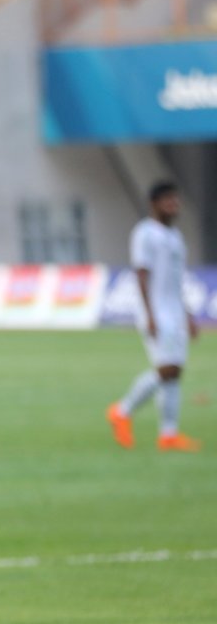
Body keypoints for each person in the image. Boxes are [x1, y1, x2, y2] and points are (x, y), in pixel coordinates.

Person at [107, 181, 201, 452]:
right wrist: (149, 314)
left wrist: (188, 314)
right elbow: (141, 273)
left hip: (174, 310)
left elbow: (176, 280)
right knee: (166, 369)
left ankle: (168, 434)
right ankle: (122, 411)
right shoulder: (145, 234)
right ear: (154, 204)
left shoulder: (175, 237)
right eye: (168, 201)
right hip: (156, 311)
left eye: (176, 200)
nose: (174, 206)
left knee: (175, 373)